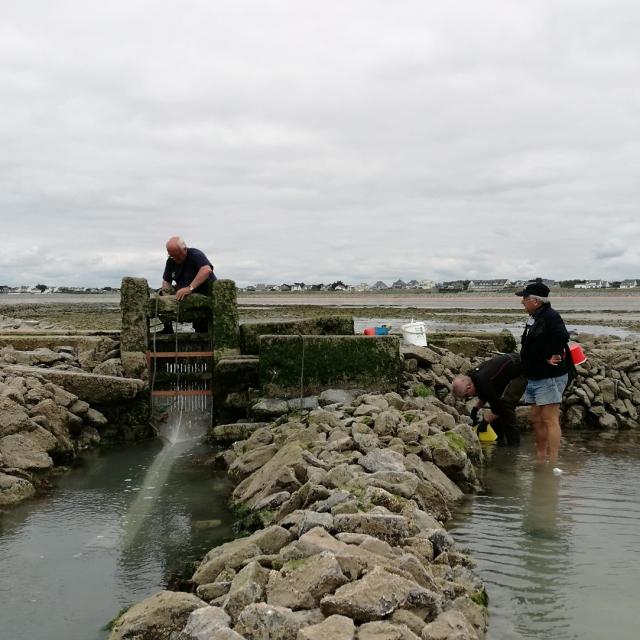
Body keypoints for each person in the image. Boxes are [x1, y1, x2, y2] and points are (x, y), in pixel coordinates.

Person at [515, 279, 574, 468]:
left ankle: (553, 460)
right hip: (535, 374)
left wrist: (550, 356)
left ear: (536, 300)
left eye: (524, 298)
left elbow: (563, 337)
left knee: (550, 418)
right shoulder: (534, 316)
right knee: (536, 418)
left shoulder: (551, 316)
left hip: (549, 376)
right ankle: (541, 458)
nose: (521, 301)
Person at [452, 353, 527, 445]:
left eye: (467, 396)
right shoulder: (474, 376)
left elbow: (499, 408)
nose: (470, 397)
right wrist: (475, 409)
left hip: (522, 369)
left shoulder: (481, 380)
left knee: (507, 406)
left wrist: (485, 421)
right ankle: (500, 441)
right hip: (509, 369)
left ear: (469, 387)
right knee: (495, 409)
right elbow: (486, 394)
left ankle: (514, 446)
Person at [158, 236, 216, 333]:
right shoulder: (171, 261)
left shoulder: (195, 254)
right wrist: (166, 297)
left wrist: (190, 288)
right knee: (160, 294)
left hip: (202, 292)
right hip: (182, 293)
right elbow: (166, 281)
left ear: (184, 249)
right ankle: (168, 328)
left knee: (202, 330)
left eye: (177, 255)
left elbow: (206, 270)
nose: (175, 259)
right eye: (172, 256)